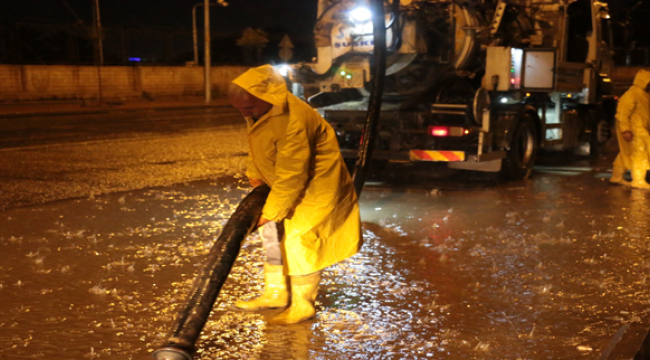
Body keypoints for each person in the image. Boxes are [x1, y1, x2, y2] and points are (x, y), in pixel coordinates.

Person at [228, 65, 362, 324]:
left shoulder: (294, 119)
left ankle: (303, 305)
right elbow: (259, 145)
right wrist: (254, 172)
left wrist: (271, 212)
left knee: (300, 244)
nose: (244, 113)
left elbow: (293, 174)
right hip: (280, 187)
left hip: (312, 189)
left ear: (269, 96)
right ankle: (275, 294)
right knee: (272, 239)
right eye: (240, 108)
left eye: (249, 108)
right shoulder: (262, 111)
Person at [610, 68, 650, 189]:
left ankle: (616, 177)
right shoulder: (633, 94)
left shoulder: (641, 94)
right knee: (640, 153)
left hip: (637, 128)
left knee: (626, 153)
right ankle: (638, 180)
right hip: (635, 129)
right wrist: (625, 130)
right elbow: (622, 113)